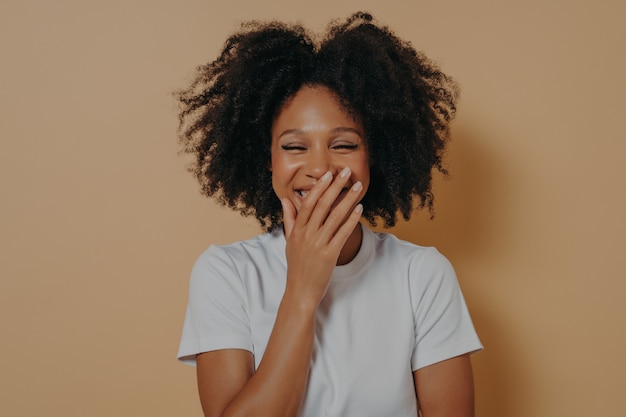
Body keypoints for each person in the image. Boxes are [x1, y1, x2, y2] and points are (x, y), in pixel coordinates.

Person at [176, 11, 482, 417]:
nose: (320, 168)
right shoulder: (225, 273)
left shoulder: (421, 274)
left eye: (343, 144)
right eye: (294, 147)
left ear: (375, 154)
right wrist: (303, 289)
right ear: (266, 159)